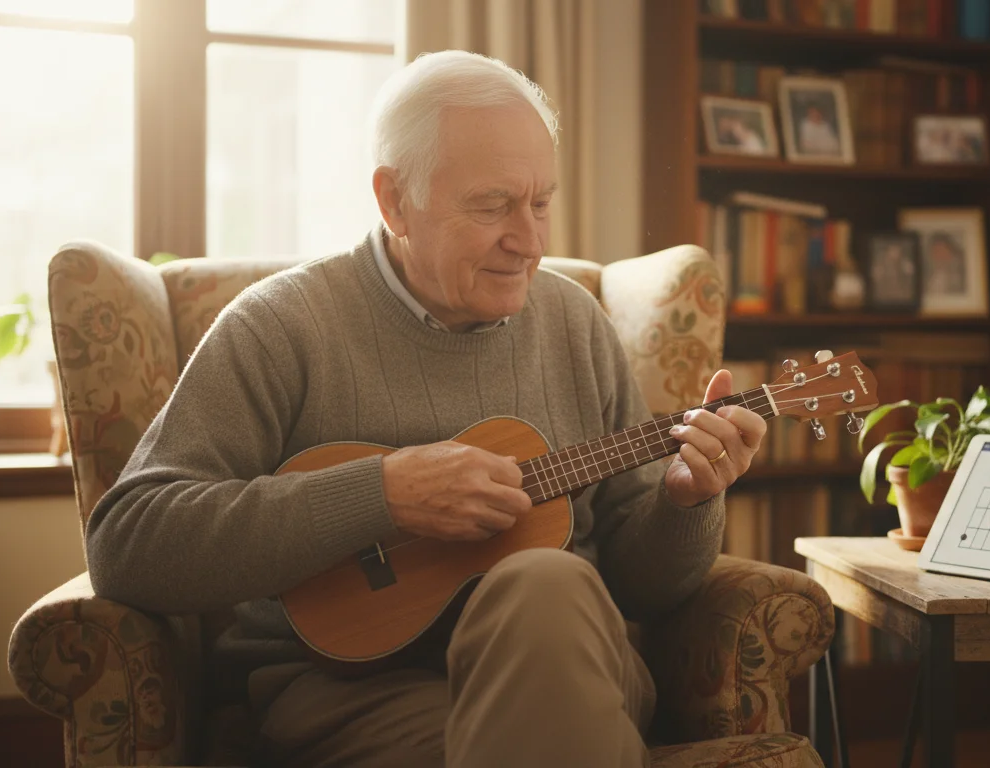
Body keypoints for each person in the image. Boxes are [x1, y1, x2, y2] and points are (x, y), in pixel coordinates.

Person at [84, 50, 767, 768]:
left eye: (540, 203)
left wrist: (686, 501)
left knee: (546, 581)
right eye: (492, 205)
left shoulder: (575, 322)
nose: (531, 242)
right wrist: (381, 494)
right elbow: (129, 547)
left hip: (574, 668)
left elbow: (646, 589)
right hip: (355, 697)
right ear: (393, 201)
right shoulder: (280, 328)